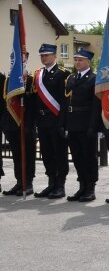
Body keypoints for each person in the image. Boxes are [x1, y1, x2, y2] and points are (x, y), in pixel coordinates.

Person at [32, 43, 69, 199]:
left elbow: (64, 101)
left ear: (55, 56)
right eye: (42, 55)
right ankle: (51, 183)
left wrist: (62, 123)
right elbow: (35, 99)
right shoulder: (38, 75)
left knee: (59, 153)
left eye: (46, 55)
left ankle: (60, 186)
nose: (44, 58)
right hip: (42, 120)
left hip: (55, 119)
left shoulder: (63, 74)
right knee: (46, 153)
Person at [64, 48, 101, 202]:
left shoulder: (94, 78)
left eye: (80, 60)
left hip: (86, 123)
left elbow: (96, 105)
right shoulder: (71, 78)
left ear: (88, 62)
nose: (77, 62)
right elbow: (66, 102)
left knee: (89, 157)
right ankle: (82, 187)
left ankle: (90, 188)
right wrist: (65, 124)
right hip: (73, 123)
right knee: (77, 157)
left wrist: (93, 126)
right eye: (76, 59)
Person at [1, 58, 36, 196]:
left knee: (28, 154)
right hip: (12, 124)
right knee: (16, 155)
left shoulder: (31, 80)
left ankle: (28, 183)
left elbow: (33, 104)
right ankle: (19, 182)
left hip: (26, 124)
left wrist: (29, 124)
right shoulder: (9, 80)